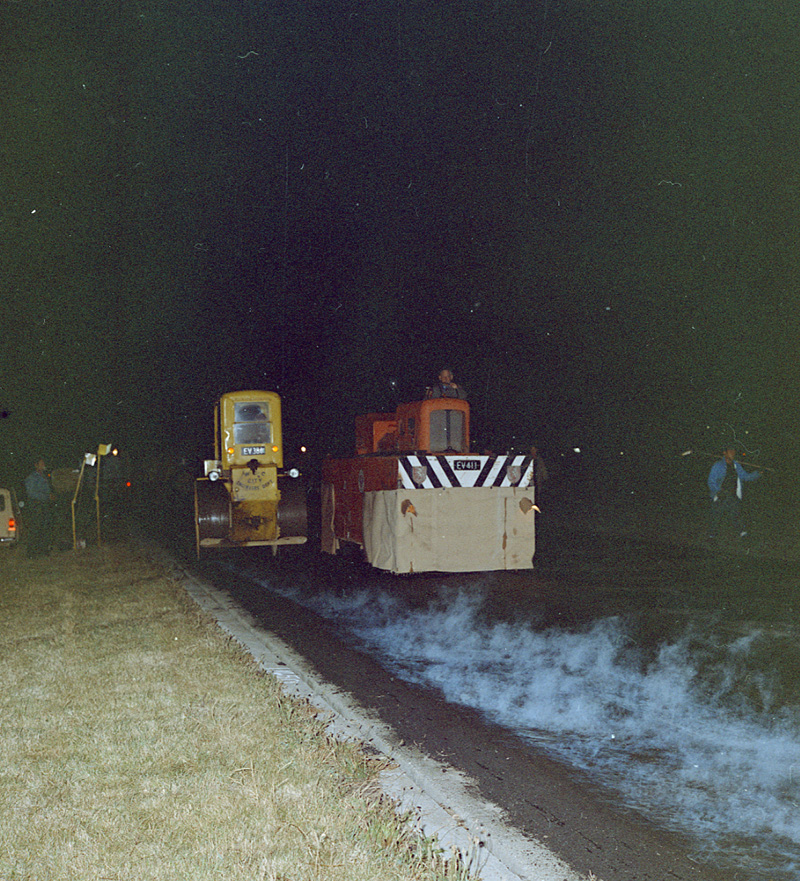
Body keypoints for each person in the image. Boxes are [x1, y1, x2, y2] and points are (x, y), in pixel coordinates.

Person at [707, 446, 761, 544]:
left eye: (733, 451)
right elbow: (711, 481)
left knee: (736, 515)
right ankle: (712, 536)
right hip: (721, 496)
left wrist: (757, 473)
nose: (733, 453)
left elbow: (745, 476)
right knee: (716, 517)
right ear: (725, 453)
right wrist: (718, 492)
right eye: (730, 451)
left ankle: (743, 535)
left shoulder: (736, 465)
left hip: (732, 495)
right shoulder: (718, 465)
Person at [24, 457, 55, 558]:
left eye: (43, 463)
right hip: (36, 505)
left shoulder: (45, 476)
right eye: (41, 463)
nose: (43, 465)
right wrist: (46, 496)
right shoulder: (31, 478)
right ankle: (32, 552)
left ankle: (43, 550)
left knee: (45, 527)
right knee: (36, 528)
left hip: (44, 504)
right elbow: (31, 493)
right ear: (36, 465)